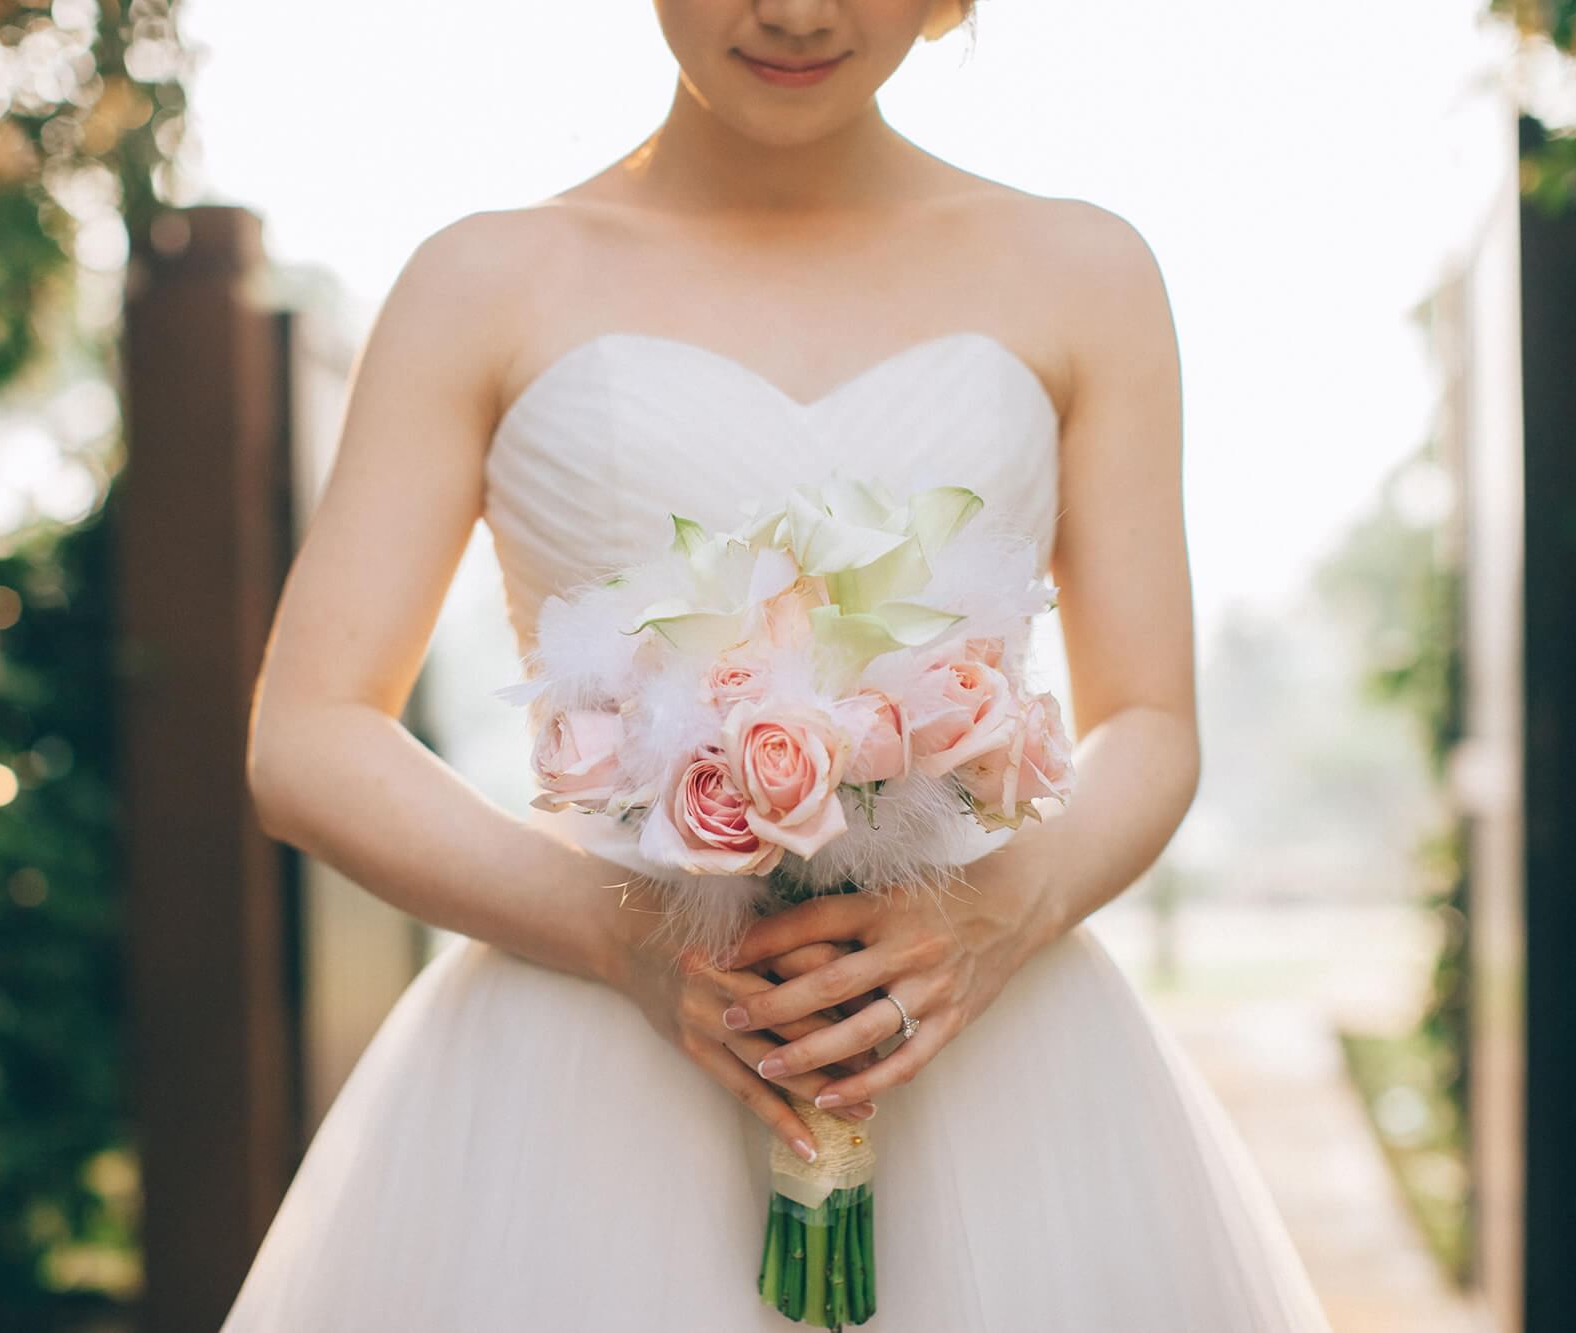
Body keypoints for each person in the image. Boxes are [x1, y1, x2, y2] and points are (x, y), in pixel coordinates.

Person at [226, 1, 1335, 1328]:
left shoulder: (1078, 271)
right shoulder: (484, 281)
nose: (797, 11)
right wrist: (621, 937)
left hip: (986, 1050)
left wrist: (990, 915)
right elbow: (308, 735)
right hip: (576, 1082)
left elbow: (1149, 717)